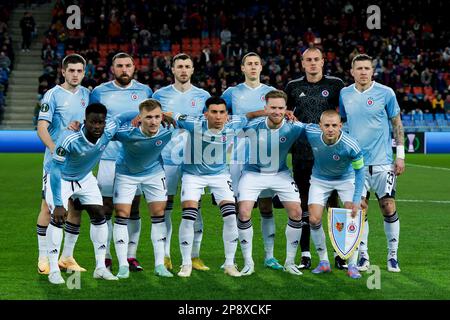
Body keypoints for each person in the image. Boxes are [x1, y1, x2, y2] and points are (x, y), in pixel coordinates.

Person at [167, 96, 263, 278]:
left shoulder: (234, 122)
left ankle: (229, 263)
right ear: (206, 114)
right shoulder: (192, 122)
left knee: (230, 216)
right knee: (189, 216)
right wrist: (144, 115)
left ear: (227, 114)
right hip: (192, 175)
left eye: (222, 112)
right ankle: (186, 263)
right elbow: (170, 114)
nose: (218, 117)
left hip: (220, 175)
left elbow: (250, 115)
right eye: (214, 112)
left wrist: (268, 112)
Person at [45, 103, 136, 284]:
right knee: (58, 219)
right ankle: (53, 269)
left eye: (100, 122)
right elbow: (55, 170)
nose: (96, 127)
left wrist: (147, 113)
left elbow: (123, 116)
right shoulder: (69, 138)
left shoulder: (109, 128)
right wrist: (58, 204)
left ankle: (100, 267)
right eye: (92, 122)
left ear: (104, 122)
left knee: (99, 214)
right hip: (61, 179)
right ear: (84, 122)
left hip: (85, 178)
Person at [339, 54, 405, 273]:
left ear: (372, 71)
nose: (363, 72)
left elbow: (397, 123)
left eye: (367, 68)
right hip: (356, 165)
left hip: (383, 162)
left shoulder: (386, 93)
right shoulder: (345, 94)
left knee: (388, 206)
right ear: (352, 71)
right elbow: (342, 124)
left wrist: (401, 154)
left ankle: (392, 255)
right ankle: (363, 254)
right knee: (360, 210)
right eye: (359, 68)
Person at [90, 52, 153, 272]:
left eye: (128, 65)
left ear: (134, 67)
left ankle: (130, 256)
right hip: (107, 158)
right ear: (112, 68)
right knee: (105, 208)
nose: (124, 69)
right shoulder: (99, 92)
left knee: (133, 208)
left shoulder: (145, 91)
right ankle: (106, 256)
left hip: (133, 159)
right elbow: (92, 122)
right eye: (119, 66)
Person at [285, 47, 346, 270]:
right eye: (308, 60)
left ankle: (340, 253)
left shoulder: (336, 85)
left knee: (333, 205)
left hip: (330, 156)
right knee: (303, 206)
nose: (312, 63)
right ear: (302, 63)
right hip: (302, 155)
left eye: (316, 59)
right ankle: (306, 254)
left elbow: (344, 117)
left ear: (323, 61)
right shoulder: (293, 87)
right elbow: (286, 116)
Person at [221, 52, 283, 271]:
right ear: (242, 68)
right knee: (240, 207)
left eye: (257, 63)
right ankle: (235, 255)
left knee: (266, 205)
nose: (254, 67)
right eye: (249, 64)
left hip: (265, 156)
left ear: (261, 67)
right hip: (238, 156)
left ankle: (269, 255)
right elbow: (221, 118)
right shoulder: (232, 93)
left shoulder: (271, 93)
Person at [237, 90, 305, 276]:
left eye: (280, 108)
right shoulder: (253, 126)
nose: (277, 111)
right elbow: (232, 124)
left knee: (297, 212)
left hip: (280, 173)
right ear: (265, 108)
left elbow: (317, 132)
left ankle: (289, 262)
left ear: (286, 109)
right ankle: (248, 262)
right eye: (272, 107)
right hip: (253, 173)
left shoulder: (294, 127)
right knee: (243, 212)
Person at [152, 53, 211, 272]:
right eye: (180, 66)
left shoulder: (203, 95)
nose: (184, 70)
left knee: (195, 208)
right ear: (173, 70)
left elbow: (206, 125)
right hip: (166, 158)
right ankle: (165, 256)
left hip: (194, 159)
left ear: (193, 70)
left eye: (187, 66)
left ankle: (194, 256)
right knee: (164, 207)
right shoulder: (160, 94)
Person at [36, 54, 90, 275]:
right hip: (56, 164)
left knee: (75, 208)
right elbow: (41, 127)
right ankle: (43, 258)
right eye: (71, 71)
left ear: (84, 73)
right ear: (63, 71)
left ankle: (66, 257)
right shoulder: (53, 95)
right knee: (49, 208)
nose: (75, 74)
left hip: (81, 163)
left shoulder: (88, 94)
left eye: (79, 71)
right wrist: (53, 150)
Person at [111, 99, 174, 279]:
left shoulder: (168, 129)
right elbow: (102, 130)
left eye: (157, 117)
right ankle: (123, 265)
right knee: (122, 214)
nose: (153, 121)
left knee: (159, 214)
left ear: (162, 116)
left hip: (154, 173)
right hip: (126, 173)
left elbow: (194, 120)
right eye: (148, 117)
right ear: (140, 118)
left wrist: (171, 114)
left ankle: (159, 265)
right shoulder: (126, 133)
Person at [304, 110, 365, 279]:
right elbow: (297, 126)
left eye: (334, 125)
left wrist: (356, 199)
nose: (330, 129)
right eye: (327, 125)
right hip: (319, 179)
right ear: (320, 126)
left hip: (346, 179)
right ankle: (324, 262)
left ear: (341, 126)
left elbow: (360, 173)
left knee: (351, 214)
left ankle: (352, 264)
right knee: (314, 219)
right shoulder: (311, 132)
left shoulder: (351, 145)